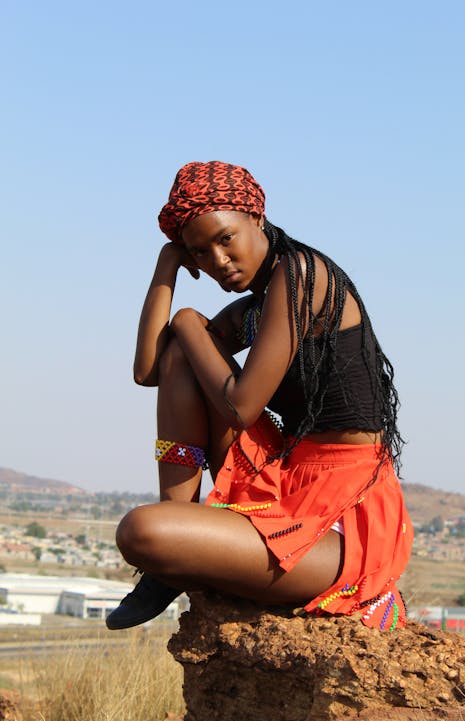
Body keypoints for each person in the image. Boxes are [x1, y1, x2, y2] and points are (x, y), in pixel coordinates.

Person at [106, 161, 413, 633]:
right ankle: (173, 545)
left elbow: (240, 407)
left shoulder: (303, 275)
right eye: (199, 253)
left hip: (342, 509)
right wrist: (165, 267)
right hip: (285, 475)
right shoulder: (259, 302)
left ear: (256, 217)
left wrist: (187, 320)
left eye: (225, 239)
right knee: (182, 360)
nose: (217, 261)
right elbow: (150, 370)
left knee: (141, 531)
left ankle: (172, 554)